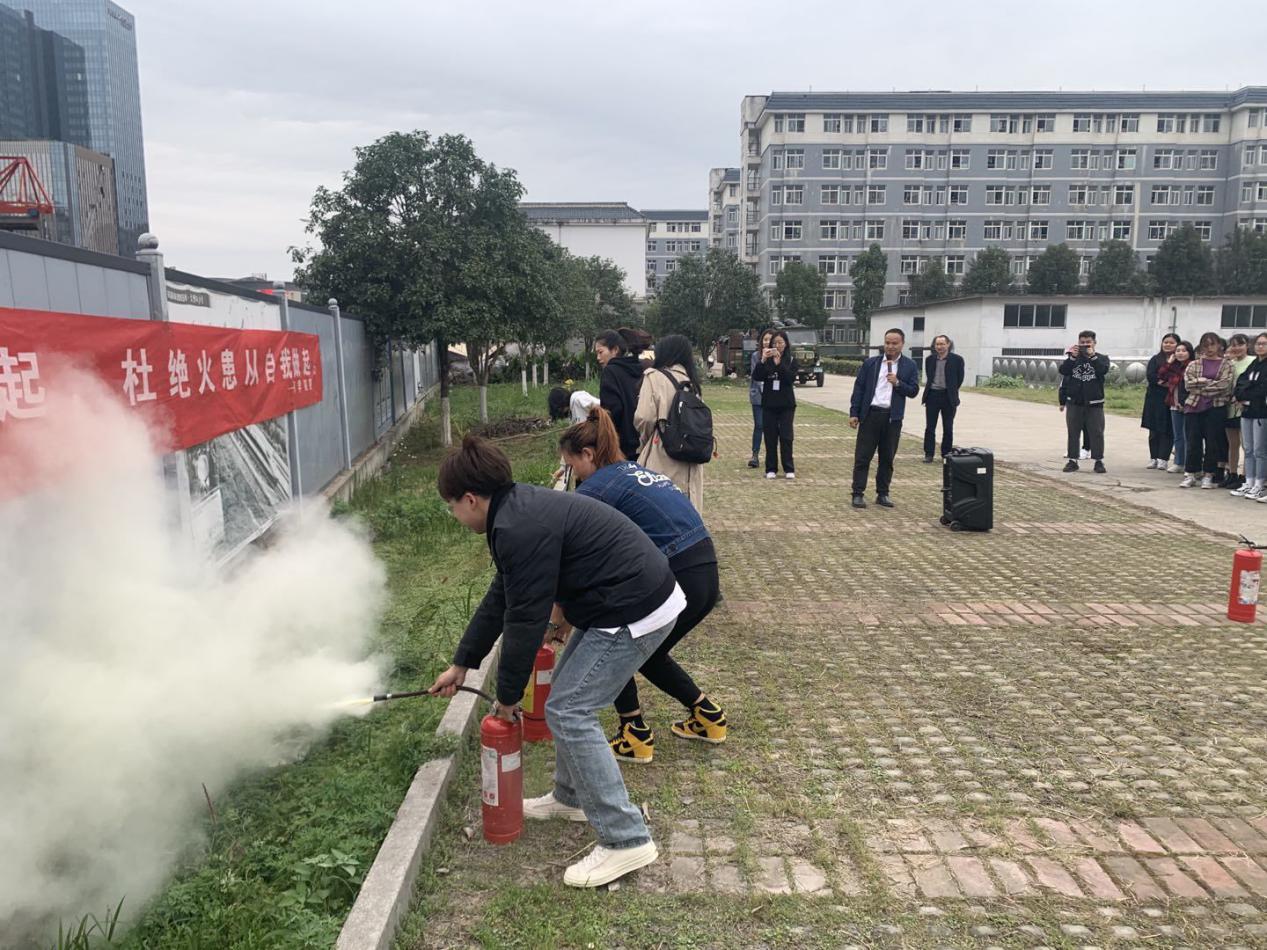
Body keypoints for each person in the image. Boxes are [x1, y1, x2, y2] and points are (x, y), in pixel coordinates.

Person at [428, 436, 680, 888]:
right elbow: (502, 597)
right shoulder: (513, 512)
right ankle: (570, 797)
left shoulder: (516, 526)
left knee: (569, 709)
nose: (455, 515)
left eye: (452, 507)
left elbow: (525, 621)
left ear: (470, 499)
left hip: (635, 606)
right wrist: (463, 663)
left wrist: (508, 698)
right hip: (618, 600)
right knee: (565, 697)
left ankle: (626, 838)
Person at [558, 407, 726, 763]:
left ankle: (636, 733)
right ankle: (705, 716)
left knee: (621, 641)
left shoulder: (597, 489)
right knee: (647, 653)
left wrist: (561, 615)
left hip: (681, 571)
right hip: (705, 570)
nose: (572, 475)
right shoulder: (632, 471)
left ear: (587, 455)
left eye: (571, 466)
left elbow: (568, 552)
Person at [848, 328, 920, 508]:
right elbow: (859, 388)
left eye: (894, 343)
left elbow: (913, 391)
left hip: (892, 418)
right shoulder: (871, 363)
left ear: (902, 344)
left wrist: (898, 383)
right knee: (863, 457)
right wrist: (854, 412)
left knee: (887, 458)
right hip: (870, 415)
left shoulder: (909, 365)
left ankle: (883, 493)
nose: (890, 346)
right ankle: (858, 493)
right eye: (887, 343)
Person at [634, 334, 706, 510]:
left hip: (662, 450)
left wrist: (645, 442)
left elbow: (644, 417)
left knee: (660, 507)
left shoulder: (653, 377)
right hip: (690, 454)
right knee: (686, 508)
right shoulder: (692, 383)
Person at [1179, 332, 1235, 490]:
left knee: (1212, 442)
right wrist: (1203, 382)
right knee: (1193, 442)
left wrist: (1201, 386)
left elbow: (1224, 386)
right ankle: (1190, 473)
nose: (1209, 348)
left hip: (1216, 407)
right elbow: (1188, 385)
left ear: (1219, 345)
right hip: (1194, 407)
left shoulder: (1227, 365)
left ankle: (1208, 474)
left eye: (1212, 344)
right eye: (1205, 345)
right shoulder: (1194, 364)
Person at [1058, 330, 1111, 474]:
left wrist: (1092, 356)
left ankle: (1098, 461)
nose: (1085, 345)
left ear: (1094, 343)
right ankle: (1072, 460)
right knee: (1073, 432)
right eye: (1082, 343)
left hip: (1095, 402)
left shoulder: (1102, 358)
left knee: (1097, 432)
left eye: (1088, 342)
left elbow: (1103, 370)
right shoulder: (1074, 358)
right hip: (1075, 402)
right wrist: (1072, 358)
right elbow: (1063, 371)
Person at [752, 329, 798, 480]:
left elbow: (790, 379)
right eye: (775, 343)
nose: (777, 346)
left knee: (786, 437)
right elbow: (757, 376)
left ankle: (788, 468)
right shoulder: (767, 360)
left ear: (786, 344)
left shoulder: (791, 360)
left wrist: (779, 365)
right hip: (769, 404)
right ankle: (771, 468)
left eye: (780, 343)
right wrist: (763, 360)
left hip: (786, 405)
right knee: (770, 437)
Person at [596, 329, 645, 461]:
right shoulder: (640, 368)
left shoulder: (610, 371)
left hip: (622, 446)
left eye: (600, 352)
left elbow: (612, 410)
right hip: (644, 443)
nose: (598, 358)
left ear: (615, 350)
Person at [1232, 332, 1267, 500]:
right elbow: (1241, 382)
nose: (1260, 346)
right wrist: (1241, 395)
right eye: (1258, 343)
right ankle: (1249, 481)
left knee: (1260, 450)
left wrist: (1248, 394)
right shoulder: (1254, 364)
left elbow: (1261, 388)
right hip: (1247, 412)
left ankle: (1260, 484)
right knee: (1248, 449)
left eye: (1264, 344)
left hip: (1261, 412)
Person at [922, 334, 965, 462]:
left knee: (948, 427)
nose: (939, 347)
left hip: (948, 397)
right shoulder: (930, 359)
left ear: (948, 344)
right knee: (930, 427)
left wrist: (951, 390)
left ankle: (946, 453)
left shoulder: (957, 360)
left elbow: (959, 379)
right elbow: (929, 376)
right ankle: (929, 454)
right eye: (937, 344)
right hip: (932, 395)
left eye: (942, 344)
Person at [1142, 333, 1179, 469]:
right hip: (1154, 398)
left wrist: (1168, 382)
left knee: (1167, 429)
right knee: (1154, 430)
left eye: (1171, 342)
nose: (1168, 345)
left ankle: (1163, 458)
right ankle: (1153, 457)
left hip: (1170, 398)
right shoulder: (1155, 359)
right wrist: (1162, 382)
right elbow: (1151, 376)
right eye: (1165, 342)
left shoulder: (1178, 360)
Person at [1222, 333, 1254, 490]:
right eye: (1233, 345)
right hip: (1230, 408)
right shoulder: (1229, 364)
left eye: (1240, 344)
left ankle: (1245, 475)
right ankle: (1232, 473)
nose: (1237, 348)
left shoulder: (1253, 361)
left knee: (1246, 444)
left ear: (1247, 345)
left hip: (1245, 407)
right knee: (1232, 443)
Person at [1157, 340, 1194, 474]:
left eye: (1183, 351)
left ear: (1189, 352)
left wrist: (1185, 403)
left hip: (1189, 405)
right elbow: (1161, 375)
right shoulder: (1174, 367)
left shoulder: (1192, 366)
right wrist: (1169, 362)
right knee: (1178, 436)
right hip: (1174, 404)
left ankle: (1190, 464)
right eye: (1178, 351)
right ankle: (1179, 462)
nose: (1180, 353)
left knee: (1188, 436)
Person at [747, 329, 774, 468]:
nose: (767, 342)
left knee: (772, 427)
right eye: (765, 339)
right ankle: (755, 455)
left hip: (774, 397)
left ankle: (772, 456)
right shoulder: (755, 356)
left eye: (770, 339)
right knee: (759, 425)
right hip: (758, 396)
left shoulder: (777, 356)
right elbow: (756, 375)